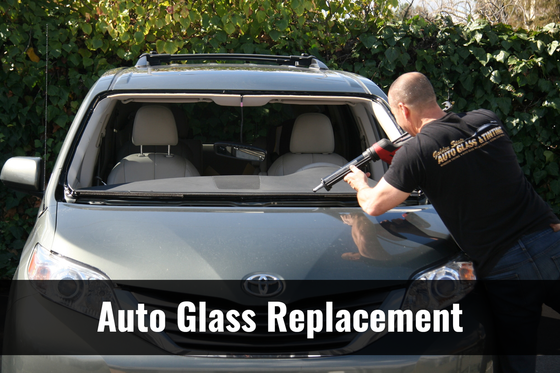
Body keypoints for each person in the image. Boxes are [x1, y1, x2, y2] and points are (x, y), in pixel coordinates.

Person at [343, 71, 560, 373]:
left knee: (518, 359)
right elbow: (483, 171)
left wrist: (359, 182)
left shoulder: (416, 152)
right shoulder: (487, 120)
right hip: (550, 240)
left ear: (403, 109)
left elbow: (375, 205)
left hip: (505, 267)